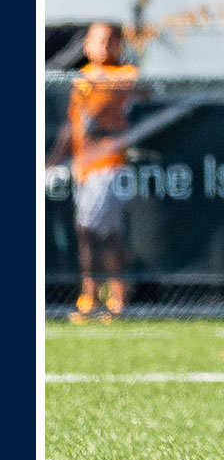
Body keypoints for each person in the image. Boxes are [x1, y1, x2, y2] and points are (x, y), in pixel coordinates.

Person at [53, 22, 140, 322]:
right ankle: (90, 296)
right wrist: (54, 158)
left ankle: (117, 298)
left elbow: (118, 99)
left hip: (109, 168)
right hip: (84, 171)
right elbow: (72, 125)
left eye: (110, 41)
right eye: (97, 41)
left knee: (105, 235)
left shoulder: (124, 74)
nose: (104, 47)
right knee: (87, 235)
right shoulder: (83, 79)